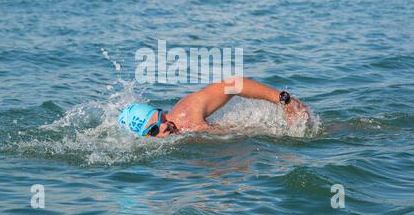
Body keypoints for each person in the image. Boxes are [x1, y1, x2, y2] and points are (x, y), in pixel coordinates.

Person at [118, 76, 309, 138]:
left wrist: (284, 99)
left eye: (160, 119)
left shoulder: (187, 112)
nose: (164, 127)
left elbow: (232, 84)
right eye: (153, 131)